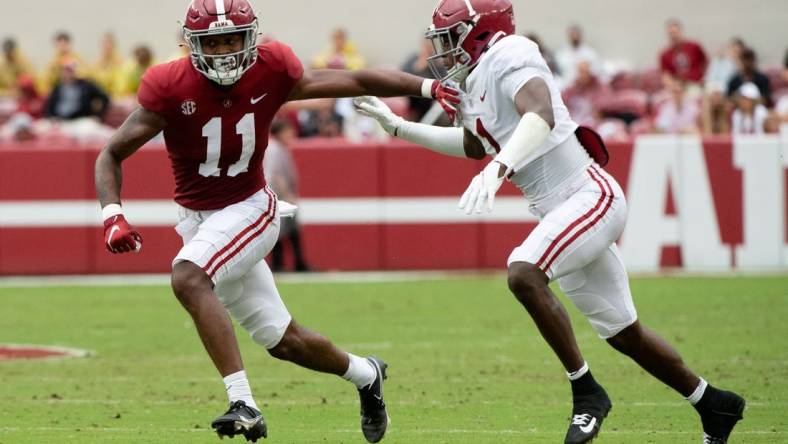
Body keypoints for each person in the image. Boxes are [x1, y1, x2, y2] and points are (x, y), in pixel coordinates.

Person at [355, 1, 745, 443]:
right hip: (557, 209)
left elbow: (539, 113)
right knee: (623, 333)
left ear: (480, 31)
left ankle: (586, 393)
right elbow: (472, 144)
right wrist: (400, 128)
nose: (441, 49)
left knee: (523, 273)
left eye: (449, 37)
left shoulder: (511, 51)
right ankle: (714, 404)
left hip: (587, 194)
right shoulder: (472, 79)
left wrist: (500, 167)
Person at [93, 1, 458, 442]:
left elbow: (356, 80)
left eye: (233, 40)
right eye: (214, 42)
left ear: (251, 38)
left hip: (251, 207)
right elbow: (111, 153)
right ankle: (366, 375)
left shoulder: (273, 70)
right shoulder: (169, 85)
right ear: (192, 46)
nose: (226, 52)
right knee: (284, 341)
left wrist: (429, 87)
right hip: (199, 221)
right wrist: (113, 213)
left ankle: (242, 402)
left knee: (188, 277)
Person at [264, 120, 310, 272]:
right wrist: (287, 195)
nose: (291, 135)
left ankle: (294, 263)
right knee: (281, 231)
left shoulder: (280, 148)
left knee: (290, 231)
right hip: (279, 197)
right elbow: (276, 175)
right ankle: (280, 264)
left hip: (282, 196)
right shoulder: (274, 149)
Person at [44, 60, 109, 120]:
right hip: (59, 120)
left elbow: (104, 97)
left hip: (80, 120)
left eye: (69, 70)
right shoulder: (57, 87)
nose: (66, 73)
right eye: (63, 70)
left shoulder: (86, 85)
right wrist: (51, 117)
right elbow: (49, 107)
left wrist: (97, 115)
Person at [659, 19, 707, 92]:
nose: (673, 36)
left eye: (675, 32)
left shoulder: (694, 46)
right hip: (677, 87)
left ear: (681, 31)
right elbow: (666, 75)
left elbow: (705, 62)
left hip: (695, 84)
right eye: (671, 33)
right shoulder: (664, 54)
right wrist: (673, 87)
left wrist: (704, 78)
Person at [91, 32, 126, 97]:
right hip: (100, 95)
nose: (106, 46)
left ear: (114, 46)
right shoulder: (97, 62)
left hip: (115, 95)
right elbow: (93, 80)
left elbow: (120, 85)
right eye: (104, 44)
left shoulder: (119, 62)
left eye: (109, 44)